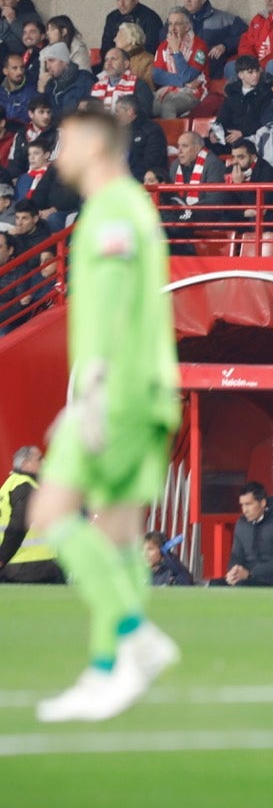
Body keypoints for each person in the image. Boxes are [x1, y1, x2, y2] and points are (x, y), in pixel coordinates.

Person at [25, 106, 180, 721]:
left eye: (63, 141)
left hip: (116, 393)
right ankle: (108, 669)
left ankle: (134, 636)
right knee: (118, 533)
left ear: (93, 143)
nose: (56, 153)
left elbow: (113, 308)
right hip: (141, 392)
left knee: (51, 510)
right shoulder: (133, 209)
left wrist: (86, 392)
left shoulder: (113, 212)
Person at [210, 482, 273, 589]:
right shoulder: (241, 524)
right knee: (214, 584)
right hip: (247, 578)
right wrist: (233, 571)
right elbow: (236, 556)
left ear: (262, 503)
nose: (244, 510)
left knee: (242, 586)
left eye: (248, 504)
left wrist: (250, 573)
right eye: (242, 505)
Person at [0, 445, 61, 583]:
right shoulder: (24, 487)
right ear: (25, 464)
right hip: (32, 567)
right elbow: (18, 525)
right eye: (39, 459)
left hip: (19, 565)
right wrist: (2, 557)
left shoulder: (9, 485)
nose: (43, 462)